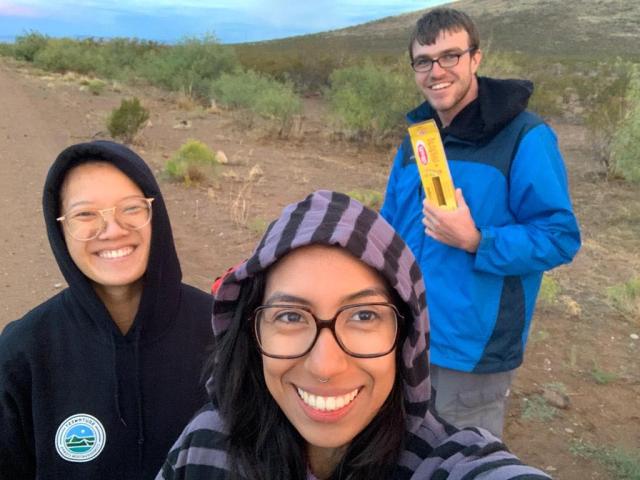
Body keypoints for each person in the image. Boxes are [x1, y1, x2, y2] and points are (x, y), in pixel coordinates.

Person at [157, 190, 551, 479]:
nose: (325, 366)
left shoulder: (446, 465)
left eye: (364, 315)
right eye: (291, 316)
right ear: (251, 331)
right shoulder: (206, 448)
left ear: (406, 337)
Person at [380, 7, 581, 437]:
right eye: (424, 61)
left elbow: (559, 237)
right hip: (405, 334)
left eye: (450, 56)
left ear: (476, 58)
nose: (437, 71)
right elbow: (389, 228)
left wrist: (476, 239)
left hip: (472, 352)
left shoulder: (524, 137)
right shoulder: (419, 137)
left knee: (460, 457)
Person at [0, 141, 214, 479]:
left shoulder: (221, 332)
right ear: (60, 229)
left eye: (131, 208)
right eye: (85, 214)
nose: (113, 230)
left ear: (154, 214)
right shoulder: (23, 352)